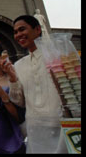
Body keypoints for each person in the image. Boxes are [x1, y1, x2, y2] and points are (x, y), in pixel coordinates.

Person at [5, 15, 67, 153]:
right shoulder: (19, 65)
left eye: (22, 29)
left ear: (38, 29)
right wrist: (13, 79)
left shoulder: (59, 57)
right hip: (35, 130)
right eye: (15, 32)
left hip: (61, 128)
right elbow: (19, 102)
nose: (18, 35)